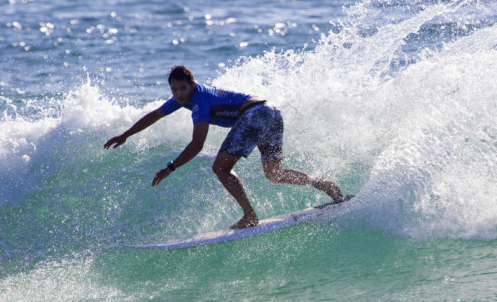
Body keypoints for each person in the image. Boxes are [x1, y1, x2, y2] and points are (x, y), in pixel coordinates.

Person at [104, 65, 343, 229]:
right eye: (174, 90)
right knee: (273, 173)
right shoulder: (184, 99)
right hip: (271, 112)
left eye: (182, 89)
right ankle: (323, 184)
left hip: (255, 114)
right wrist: (126, 134)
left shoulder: (199, 100)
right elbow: (155, 115)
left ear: (192, 84)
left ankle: (250, 216)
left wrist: (170, 167)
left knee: (220, 167)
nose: (178, 94)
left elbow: (197, 144)